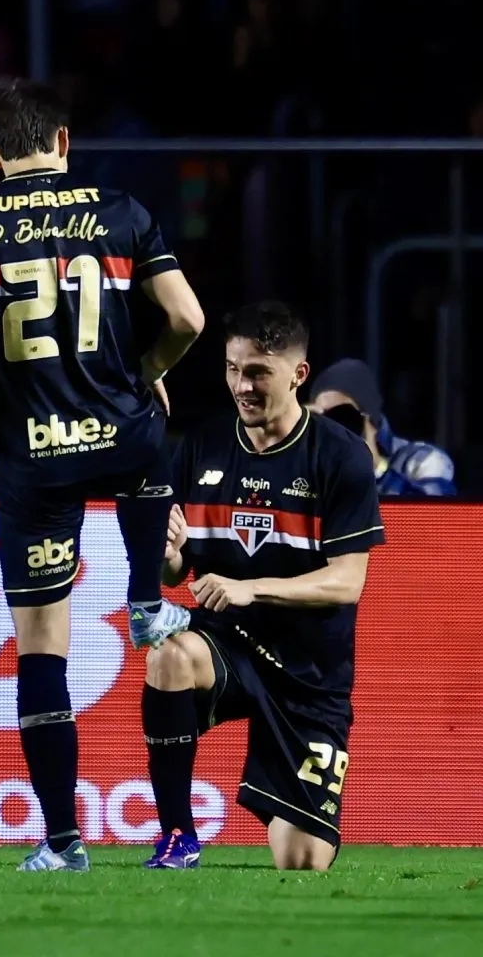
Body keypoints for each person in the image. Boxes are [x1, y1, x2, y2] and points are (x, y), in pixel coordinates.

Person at [0, 79, 204, 873]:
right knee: (146, 446)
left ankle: (63, 842)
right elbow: (188, 319)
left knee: (41, 652)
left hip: (33, 459)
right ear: (63, 142)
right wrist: (146, 370)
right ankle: (145, 603)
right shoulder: (121, 211)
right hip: (120, 436)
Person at [140, 302, 384, 871]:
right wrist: (169, 558)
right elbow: (174, 571)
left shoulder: (339, 455)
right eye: (233, 369)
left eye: (257, 373)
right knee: (169, 656)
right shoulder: (201, 446)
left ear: (298, 374)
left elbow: (347, 582)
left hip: (308, 675)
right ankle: (177, 836)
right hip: (228, 643)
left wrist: (253, 588)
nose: (241, 386)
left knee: (303, 862)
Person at [308, 358, 456, 496]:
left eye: (342, 416)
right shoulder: (314, 465)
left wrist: (376, 467)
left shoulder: (421, 460)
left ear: (369, 420)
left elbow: (435, 510)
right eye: (323, 418)